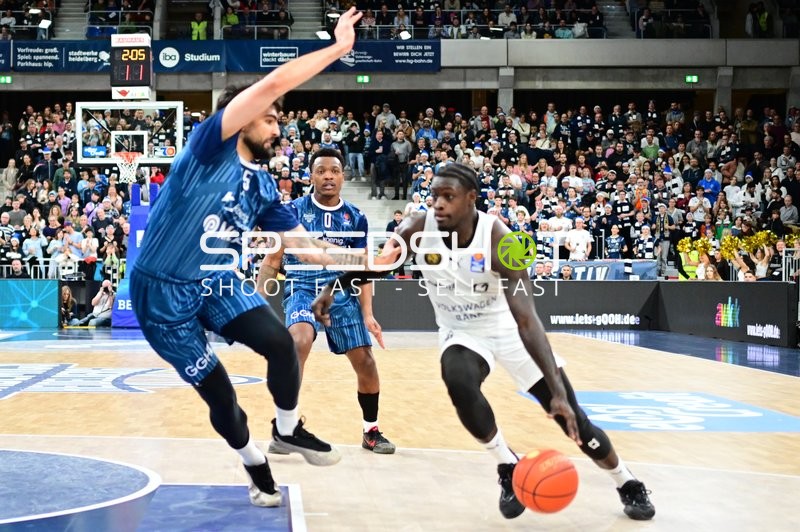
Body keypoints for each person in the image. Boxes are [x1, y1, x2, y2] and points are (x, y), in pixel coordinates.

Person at [129, 8, 395, 510]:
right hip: (161, 292)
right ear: (243, 118)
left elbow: (307, 249)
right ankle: (255, 463)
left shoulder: (267, 186)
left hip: (215, 280)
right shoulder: (210, 146)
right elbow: (274, 82)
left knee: (280, 342)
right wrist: (340, 49)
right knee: (222, 397)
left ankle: (287, 430)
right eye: (270, 117)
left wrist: (372, 259)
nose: (278, 127)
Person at [312, 164, 656, 521]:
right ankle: (508, 466)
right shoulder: (416, 227)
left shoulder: (502, 240)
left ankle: (626, 481)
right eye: (434, 197)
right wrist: (335, 285)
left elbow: (527, 319)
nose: (439, 205)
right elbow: (381, 264)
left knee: (573, 420)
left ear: (472, 199)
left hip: (507, 328)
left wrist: (555, 389)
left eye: (449, 197)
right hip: (460, 332)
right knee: (457, 378)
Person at [261, 148, 396, 455]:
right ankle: (286, 428)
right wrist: (256, 304)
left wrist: (368, 314)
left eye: (334, 171)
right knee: (299, 340)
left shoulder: (356, 217)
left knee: (367, 362)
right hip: (302, 286)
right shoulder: (291, 211)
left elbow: (362, 270)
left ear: (342, 176)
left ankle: (370, 431)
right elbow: (272, 259)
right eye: (321, 171)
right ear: (311, 176)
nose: (328, 176)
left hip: (340, 289)